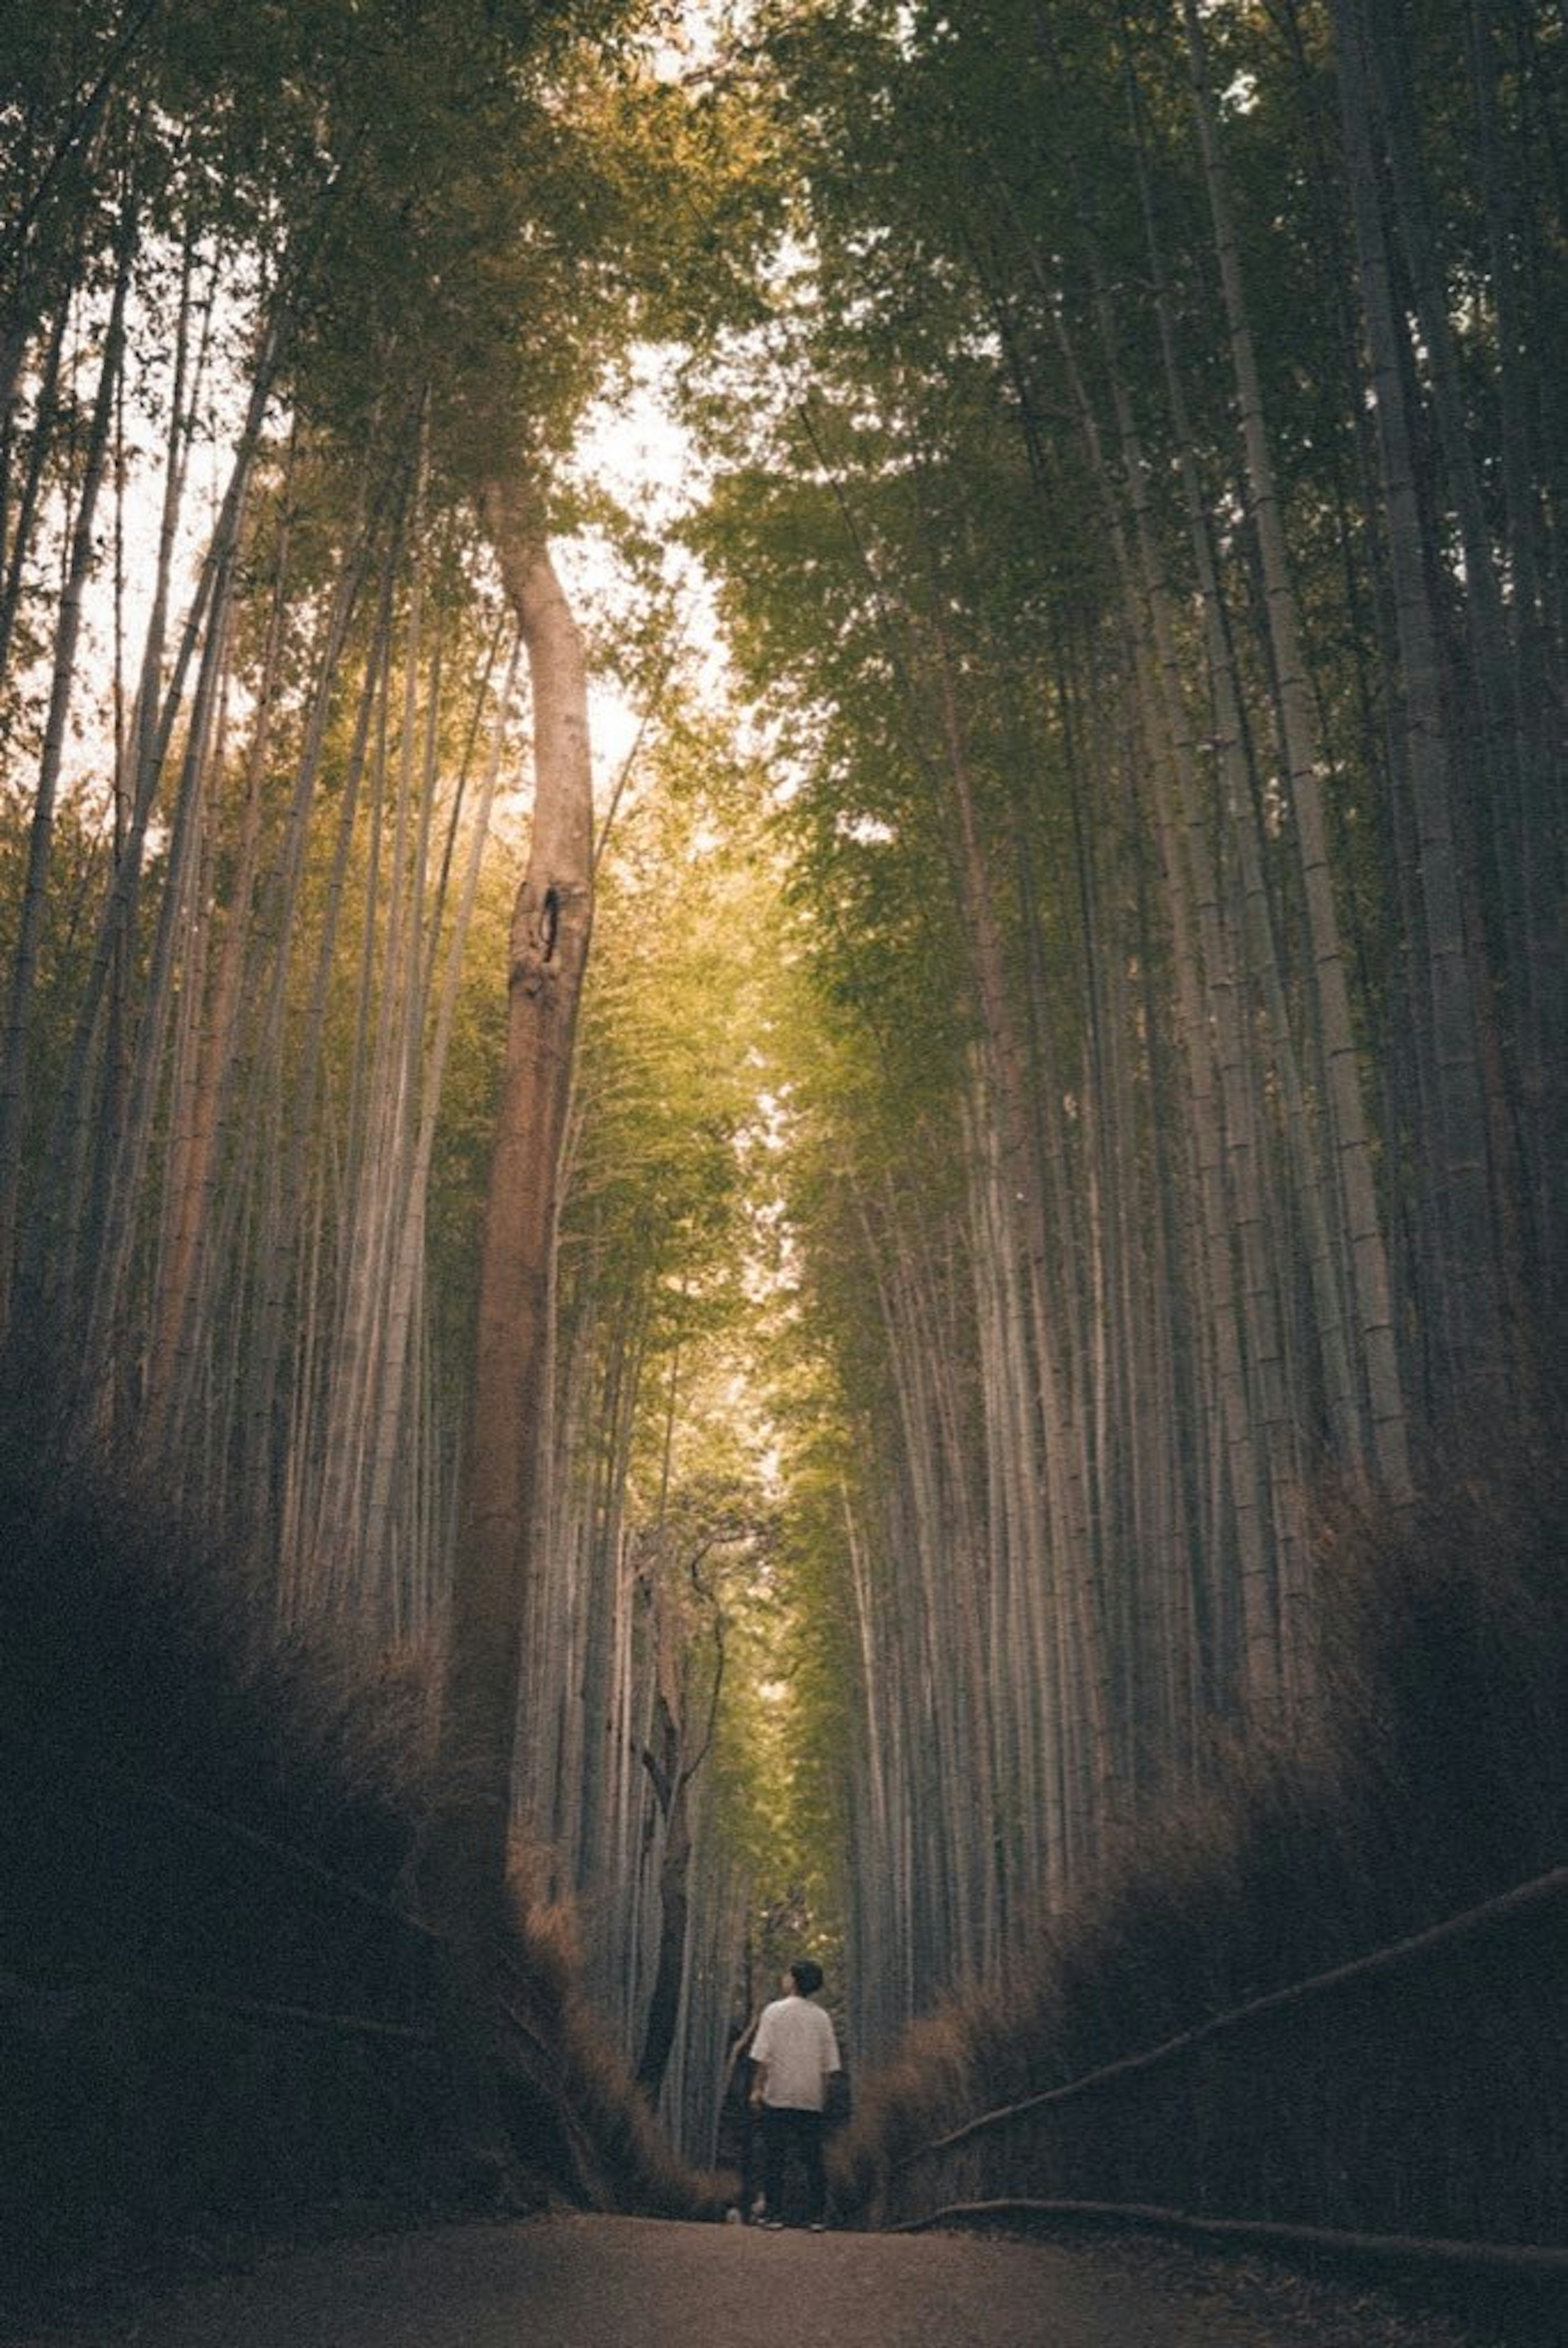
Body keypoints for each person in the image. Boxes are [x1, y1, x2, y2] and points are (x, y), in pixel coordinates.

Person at [747, 1958, 842, 2230]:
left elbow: (764, 2056)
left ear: (794, 1980)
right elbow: (828, 2066)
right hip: (810, 2096)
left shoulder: (774, 2012)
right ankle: (817, 2217)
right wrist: (822, 2098)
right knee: (813, 2158)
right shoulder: (822, 2017)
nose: (784, 1978)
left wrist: (757, 2088)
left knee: (774, 2155)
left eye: (788, 1974)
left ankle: (774, 2214)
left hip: (778, 2093)